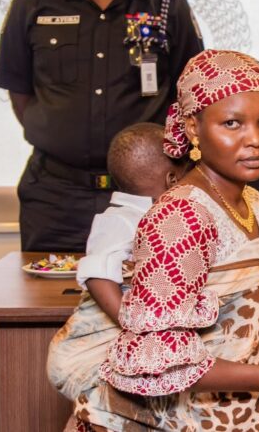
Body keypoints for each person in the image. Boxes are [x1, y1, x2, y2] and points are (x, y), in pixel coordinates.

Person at [56, 50, 259, 430]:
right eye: (232, 123)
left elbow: (232, 325)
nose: (255, 140)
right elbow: (161, 362)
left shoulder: (253, 201)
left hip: (221, 417)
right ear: (194, 129)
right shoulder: (180, 217)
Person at [0, 0, 203, 253]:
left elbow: (191, 92)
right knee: (45, 294)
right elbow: (19, 91)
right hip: (56, 196)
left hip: (147, 195)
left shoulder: (166, 1)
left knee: (154, 292)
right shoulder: (35, 0)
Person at [47, 122, 187, 399]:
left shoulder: (164, 216)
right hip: (105, 343)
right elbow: (98, 274)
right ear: (172, 180)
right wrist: (133, 324)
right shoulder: (118, 220)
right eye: (186, 177)